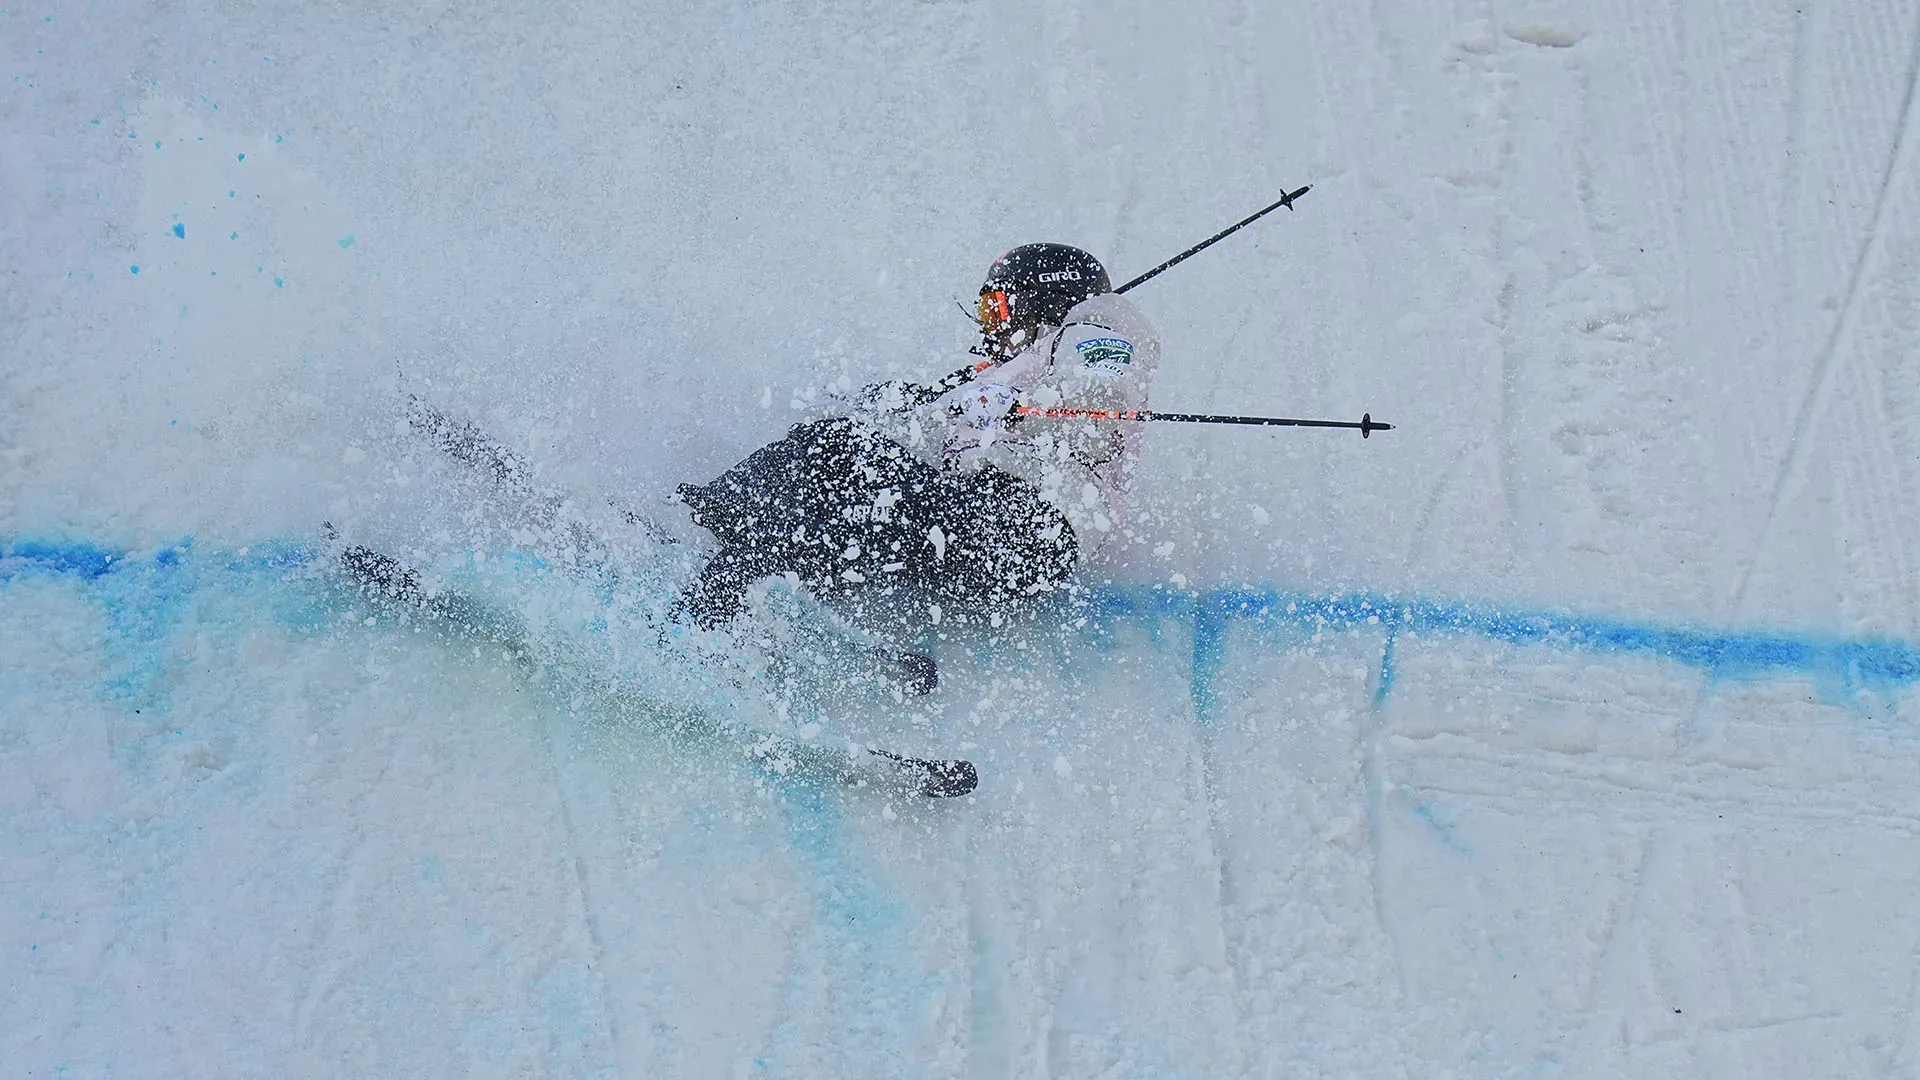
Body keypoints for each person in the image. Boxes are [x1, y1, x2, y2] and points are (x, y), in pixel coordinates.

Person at [673, 243, 1160, 631]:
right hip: (995, 525)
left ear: (1044, 300)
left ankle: (714, 584)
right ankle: (745, 553)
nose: (988, 324)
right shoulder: (1018, 368)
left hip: (1026, 524)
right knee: (836, 465)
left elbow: (1103, 387)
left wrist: (1017, 410)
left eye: (997, 307)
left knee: (838, 456)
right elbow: (931, 418)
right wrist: (888, 400)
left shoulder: (1099, 326)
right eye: (983, 310)